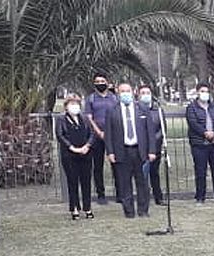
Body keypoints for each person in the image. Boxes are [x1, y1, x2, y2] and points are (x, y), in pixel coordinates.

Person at [104, 82, 156, 218]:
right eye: (122, 91)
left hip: (140, 151)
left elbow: (150, 132)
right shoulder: (112, 110)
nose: (125, 94)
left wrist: (152, 150)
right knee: (124, 183)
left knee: (142, 182)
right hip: (122, 151)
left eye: (128, 91)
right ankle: (129, 211)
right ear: (118, 93)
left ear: (133, 92)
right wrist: (110, 152)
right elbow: (108, 133)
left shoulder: (142, 108)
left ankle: (143, 210)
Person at [185, 83, 214, 204]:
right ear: (198, 92)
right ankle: (200, 197)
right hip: (199, 144)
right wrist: (205, 133)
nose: (205, 94)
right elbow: (193, 123)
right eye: (202, 91)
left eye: (207, 91)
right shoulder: (192, 108)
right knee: (200, 171)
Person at [56, 94, 95, 220]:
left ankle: (87, 208)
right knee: (73, 182)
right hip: (70, 155)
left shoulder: (84, 118)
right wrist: (72, 148)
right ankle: (74, 208)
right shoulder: (61, 119)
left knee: (86, 181)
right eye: (72, 104)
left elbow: (92, 133)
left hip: (85, 154)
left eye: (77, 103)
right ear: (66, 106)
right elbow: (60, 135)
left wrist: (87, 146)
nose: (75, 106)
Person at [82, 72, 117, 204]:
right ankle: (101, 194)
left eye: (102, 81)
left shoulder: (114, 98)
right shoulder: (91, 99)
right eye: (97, 82)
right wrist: (99, 132)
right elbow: (89, 117)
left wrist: (109, 132)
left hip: (112, 135)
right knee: (98, 166)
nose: (100, 84)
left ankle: (120, 193)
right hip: (96, 137)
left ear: (107, 82)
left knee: (116, 164)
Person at [136, 84, 165, 206]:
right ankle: (143, 198)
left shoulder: (158, 111)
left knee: (154, 173)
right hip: (140, 149)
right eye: (143, 93)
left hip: (155, 148)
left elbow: (162, 130)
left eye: (148, 93)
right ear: (138, 95)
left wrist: (153, 141)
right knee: (142, 174)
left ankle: (158, 197)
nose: (146, 95)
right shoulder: (136, 110)